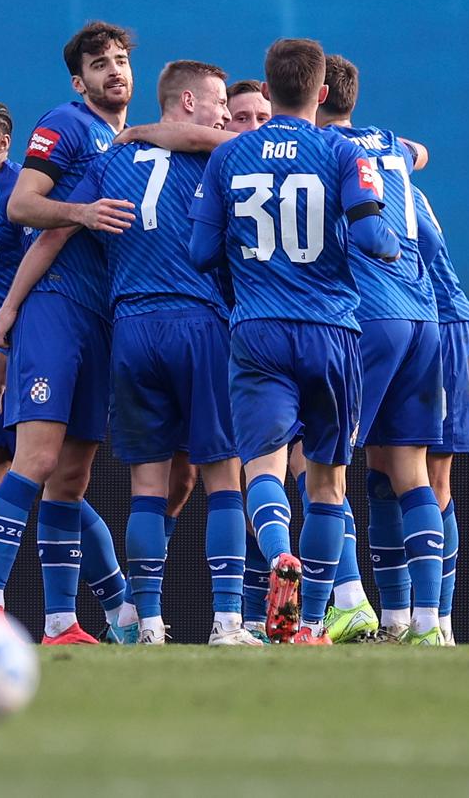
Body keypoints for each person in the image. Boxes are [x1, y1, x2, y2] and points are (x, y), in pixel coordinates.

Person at [8, 61, 259, 645]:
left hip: (131, 331)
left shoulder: (108, 160)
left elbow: (51, 233)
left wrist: (9, 307)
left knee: (148, 486)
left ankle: (146, 622)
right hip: (199, 322)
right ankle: (226, 620)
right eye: (221, 102)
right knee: (224, 479)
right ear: (191, 101)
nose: (227, 114)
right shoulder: (224, 156)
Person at [188, 38, 400, 646]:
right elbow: (371, 239)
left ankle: (279, 555)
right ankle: (309, 620)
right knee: (328, 481)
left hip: (256, 329)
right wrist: (385, 242)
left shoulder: (229, 158)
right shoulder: (340, 150)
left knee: (263, 467)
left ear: (267, 91)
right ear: (323, 92)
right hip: (331, 330)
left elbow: (201, 253)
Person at [0, 98, 137, 641]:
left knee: (54, 482)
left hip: (18, 357)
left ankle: (114, 607)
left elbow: (42, 268)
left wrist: (3, 356)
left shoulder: (20, 192)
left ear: (1, 145)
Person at [0, 21, 140, 645]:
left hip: (101, 319)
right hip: (56, 310)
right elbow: (23, 208)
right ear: (80, 80)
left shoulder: (124, 141)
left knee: (72, 478)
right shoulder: (65, 123)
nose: (114, 71)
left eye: (121, 60)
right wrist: (81, 212)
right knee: (35, 459)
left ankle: (62, 621)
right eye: (99, 64)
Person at [317, 54, 447, 646]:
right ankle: (425, 625)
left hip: (365, 316)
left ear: (315, 96)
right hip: (423, 318)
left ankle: (349, 602)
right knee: (408, 473)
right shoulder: (389, 143)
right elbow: (420, 153)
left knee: (318, 462)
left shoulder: (324, 152)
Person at [416, 185, 469, 647]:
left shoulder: (380, 177)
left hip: (442, 328)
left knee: (434, 478)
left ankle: (439, 621)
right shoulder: (392, 166)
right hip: (414, 328)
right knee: (393, 473)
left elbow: (427, 242)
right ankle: (411, 618)